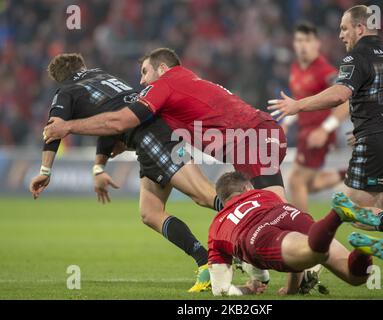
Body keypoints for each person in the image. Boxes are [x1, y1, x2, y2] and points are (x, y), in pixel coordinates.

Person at [29, 53, 226, 292]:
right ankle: (205, 261)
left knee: (203, 195)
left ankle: (257, 221)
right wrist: (99, 167)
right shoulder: (102, 76)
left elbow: (54, 131)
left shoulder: (66, 92)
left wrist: (45, 170)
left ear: (59, 79)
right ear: (82, 66)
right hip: (154, 136)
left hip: (154, 138)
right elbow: (109, 123)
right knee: (150, 213)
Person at [267, 5, 383, 289]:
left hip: (377, 144)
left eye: (345, 28)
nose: (340, 35)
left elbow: (339, 95)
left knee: (348, 209)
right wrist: (371, 127)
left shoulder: (357, 57)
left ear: (360, 28)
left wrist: (297, 106)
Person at [42, 48, 288, 202]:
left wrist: (68, 127)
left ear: (162, 68)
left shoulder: (165, 85)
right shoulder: (187, 82)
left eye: (145, 72)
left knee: (267, 208)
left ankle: (313, 254)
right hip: (256, 133)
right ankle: (294, 276)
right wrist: (119, 148)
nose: (141, 80)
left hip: (249, 138)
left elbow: (121, 120)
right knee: (265, 205)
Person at [207, 171, 383, 296]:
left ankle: (336, 215)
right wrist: (291, 290)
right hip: (287, 213)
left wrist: (247, 289)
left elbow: (221, 290)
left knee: (316, 253)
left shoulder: (217, 225)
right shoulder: (266, 194)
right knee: (356, 277)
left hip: (256, 235)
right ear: (247, 188)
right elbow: (296, 259)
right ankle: (362, 250)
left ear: (223, 200)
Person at [282, 22, 349, 213]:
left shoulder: (324, 71)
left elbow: (346, 101)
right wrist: (287, 121)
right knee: (308, 185)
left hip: (318, 133)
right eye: (299, 40)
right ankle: (350, 174)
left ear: (317, 44)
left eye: (308, 40)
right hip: (305, 131)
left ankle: (303, 231)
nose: (303, 45)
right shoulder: (296, 68)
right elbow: (302, 100)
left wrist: (325, 129)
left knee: (296, 182)